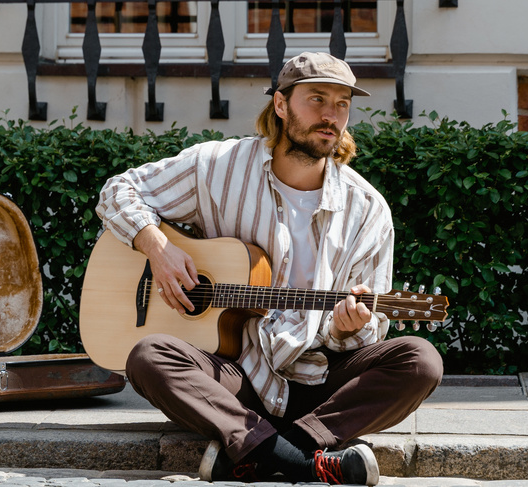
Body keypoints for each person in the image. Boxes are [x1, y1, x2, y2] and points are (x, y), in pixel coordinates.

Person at [94, 52, 444, 485]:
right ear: (280, 104)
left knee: (420, 360)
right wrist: (158, 247)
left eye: (341, 104)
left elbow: (371, 329)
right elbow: (119, 191)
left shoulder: (367, 209)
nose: (330, 115)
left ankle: (258, 450)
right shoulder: (217, 167)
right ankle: (303, 460)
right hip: (235, 375)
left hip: (320, 382)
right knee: (149, 357)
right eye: (316, 99)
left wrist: (345, 328)